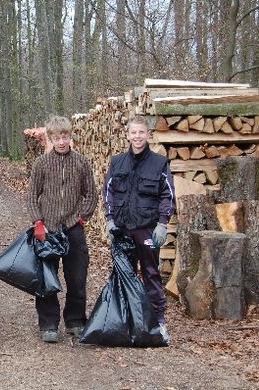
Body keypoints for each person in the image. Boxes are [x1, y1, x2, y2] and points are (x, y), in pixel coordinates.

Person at [103, 115, 175, 344]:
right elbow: (108, 192)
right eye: (133, 133)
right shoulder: (118, 162)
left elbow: (168, 195)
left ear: (148, 135)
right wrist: (110, 220)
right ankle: (127, 322)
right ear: (127, 135)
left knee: (152, 274)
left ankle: (159, 322)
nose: (137, 137)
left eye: (141, 132)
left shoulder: (159, 163)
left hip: (147, 230)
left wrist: (163, 224)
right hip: (122, 229)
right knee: (125, 275)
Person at [27, 115, 97, 343]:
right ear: (50, 139)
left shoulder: (81, 162)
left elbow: (91, 194)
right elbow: (31, 197)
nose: (61, 142)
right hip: (47, 230)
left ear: (70, 136)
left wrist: (81, 218)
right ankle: (48, 324)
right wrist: (38, 222)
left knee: (77, 277)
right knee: (46, 279)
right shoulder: (41, 164)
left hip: (72, 229)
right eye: (56, 138)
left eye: (65, 137)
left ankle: (75, 321)